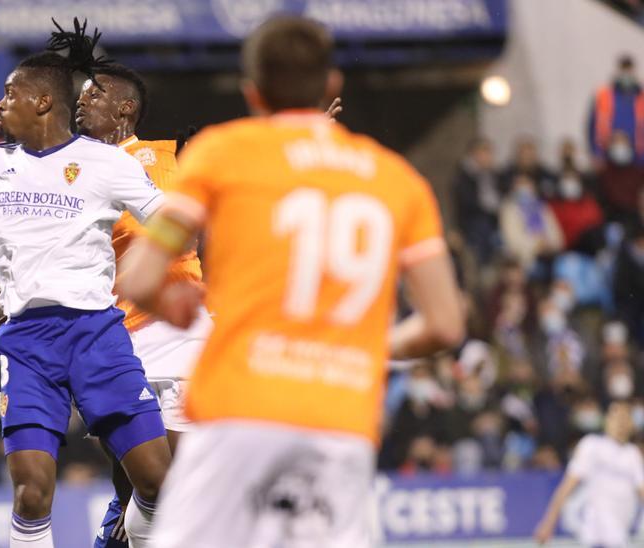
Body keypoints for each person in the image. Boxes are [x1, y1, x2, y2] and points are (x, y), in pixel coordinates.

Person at [117, 16, 464, 547]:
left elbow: (139, 276)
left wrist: (174, 301)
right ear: (332, 84)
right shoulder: (398, 180)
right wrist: (357, 349)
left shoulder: (219, 153)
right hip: (339, 423)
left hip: (238, 411)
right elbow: (444, 324)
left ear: (252, 91)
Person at [0, 20, 172, 548]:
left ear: (43, 101)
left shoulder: (108, 163)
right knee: (31, 495)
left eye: (10, 93)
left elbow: (170, 223)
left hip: (97, 335)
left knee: (159, 482)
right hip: (27, 343)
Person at [534, 401, 644, 546]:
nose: (620, 423)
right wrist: (548, 522)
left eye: (624, 418)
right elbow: (567, 486)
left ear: (631, 424)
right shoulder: (592, 446)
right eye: (615, 416)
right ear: (606, 420)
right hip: (597, 535)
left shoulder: (632, 454)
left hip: (620, 533)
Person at [589, 54, 644, 164]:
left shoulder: (641, 97)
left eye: (629, 70)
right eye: (624, 70)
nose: (626, 74)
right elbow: (592, 126)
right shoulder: (604, 95)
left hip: (638, 159)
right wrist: (596, 152)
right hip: (607, 156)